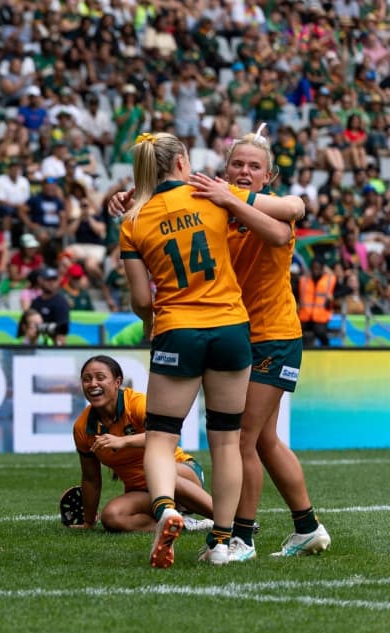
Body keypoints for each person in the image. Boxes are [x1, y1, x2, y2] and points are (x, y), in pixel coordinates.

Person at [119, 131, 302, 568]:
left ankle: (166, 510)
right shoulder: (215, 198)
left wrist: (151, 324)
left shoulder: (134, 219)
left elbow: (142, 299)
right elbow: (290, 213)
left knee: (162, 437)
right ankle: (222, 542)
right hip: (231, 330)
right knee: (227, 442)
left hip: (178, 330)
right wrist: (230, 196)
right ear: (183, 162)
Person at [220, 131, 330, 561]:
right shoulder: (218, 207)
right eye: (237, 165)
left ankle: (242, 539)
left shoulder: (277, 210)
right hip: (242, 335)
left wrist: (230, 198)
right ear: (226, 168)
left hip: (275, 335)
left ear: (269, 176)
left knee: (243, 438)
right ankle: (307, 527)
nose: (244, 172)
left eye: (253, 167)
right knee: (264, 439)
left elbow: (283, 231)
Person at [71, 355, 213, 533]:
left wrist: (123, 441)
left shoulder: (136, 403)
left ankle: (229, 522)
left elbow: (165, 436)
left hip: (181, 472)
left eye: (100, 377)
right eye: (87, 379)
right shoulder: (82, 428)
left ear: (117, 382)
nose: (93, 384)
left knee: (164, 475)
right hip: (142, 491)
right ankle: (182, 525)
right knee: (112, 516)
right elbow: (91, 479)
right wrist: (88, 522)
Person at [298, 258, 336, 347]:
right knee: (296, 332)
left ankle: (327, 349)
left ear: (322, 269)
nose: (316, 270)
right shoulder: (303, 280)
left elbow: (346, 289)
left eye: (318, 268)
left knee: (320, 332)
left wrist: (334, 296)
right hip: (304, 316)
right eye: (314, 268)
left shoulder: (330, 280)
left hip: (320, 316)